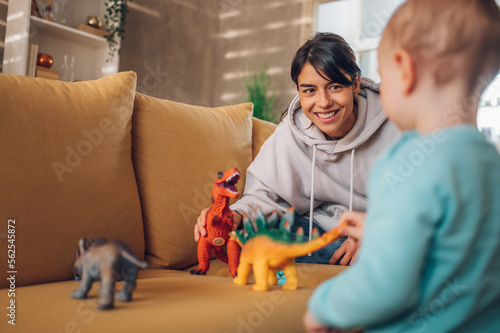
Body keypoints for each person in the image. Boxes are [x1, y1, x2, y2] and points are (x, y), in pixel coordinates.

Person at [304, 0, 500, 331]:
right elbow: (459, 242)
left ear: (404, 70)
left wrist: (324, 307)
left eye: (382, 77)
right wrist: (381, 229)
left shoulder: (409, 160)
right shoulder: (488, 161)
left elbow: (385, 285)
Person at [194, 33, 399, 265]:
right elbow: (265, 195)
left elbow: (426, 200)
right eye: (309, 90)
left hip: (383, 232)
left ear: (356, 84)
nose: (323, 102)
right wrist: (233, 217)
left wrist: (377, 233)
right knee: (251, 234)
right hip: (320, 231)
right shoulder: (292, 132)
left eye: (334, 86)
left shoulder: (399, 123)